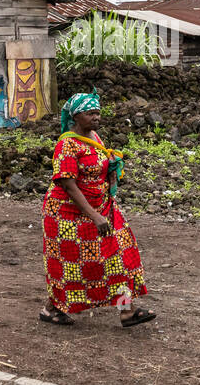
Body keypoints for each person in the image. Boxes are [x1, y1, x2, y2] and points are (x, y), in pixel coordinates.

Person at [39, 92, 155, 328]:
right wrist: (94, 216)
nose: (96, 117)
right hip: (68, 215)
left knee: (118, 259)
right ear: (76, 117)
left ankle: (126, 310)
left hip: (101, 209)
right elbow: (67, 184)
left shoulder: (94, 138)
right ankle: (51, 308)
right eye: (90, 113)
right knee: (71, 267)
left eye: (98, 112)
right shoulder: (67, 144)